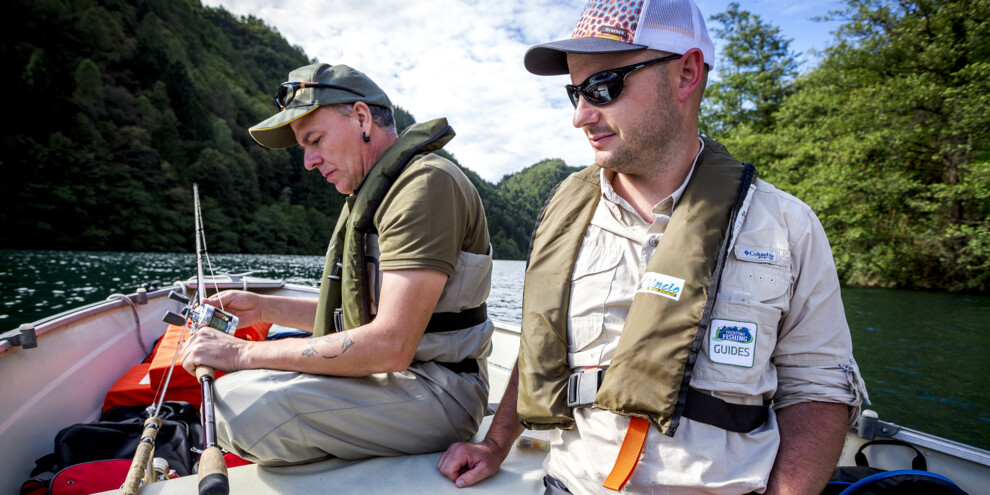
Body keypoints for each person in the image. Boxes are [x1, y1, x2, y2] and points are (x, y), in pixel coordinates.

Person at [437, 0, 869, 493]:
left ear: (686, 74)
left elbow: (817, 389)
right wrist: (495, 444)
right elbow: (540, 347)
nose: (581, 115)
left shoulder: (787, 226)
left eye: (603, 86)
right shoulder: (566, 216)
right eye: (574, 92)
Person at [179, 62, 495, 465]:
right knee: (237, 393)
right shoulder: (377, 193)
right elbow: (361, 315)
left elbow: (390, 344)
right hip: (399, 378)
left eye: (315, 140)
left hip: (442, 392)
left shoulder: (425, 185)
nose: (308, 161)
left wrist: (241, 353)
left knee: (236, 407)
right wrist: (262, 308)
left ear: (361, 118)